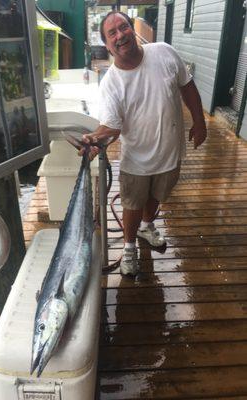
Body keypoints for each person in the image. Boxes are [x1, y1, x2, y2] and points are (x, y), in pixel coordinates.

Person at [79, 11, 207, 276]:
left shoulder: (164, 53)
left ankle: (147, 228)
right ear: (106, 44)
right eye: (112, 33)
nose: (120, 35)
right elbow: (112, 127)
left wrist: (200, 120)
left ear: (132, 29)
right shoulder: (111, 83)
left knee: (156, 196)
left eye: (123, 27)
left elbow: (187, 85)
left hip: (170, 151)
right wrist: (95, 141)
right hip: (136, 158)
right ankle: (128, 248)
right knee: (132, 203)